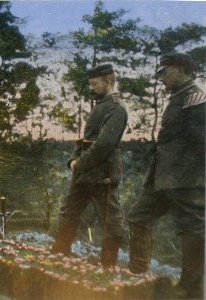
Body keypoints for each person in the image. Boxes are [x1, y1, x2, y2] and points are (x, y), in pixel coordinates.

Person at [128, 53, 205, 298]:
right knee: (138, 216)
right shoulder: (178, 97)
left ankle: (191, 289)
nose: (160, 79)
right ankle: (138, 274)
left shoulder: (196, 98)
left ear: (181, 70)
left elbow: (202, 142)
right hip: (162, 178)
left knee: (192, 229)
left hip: (186, 180)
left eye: (165, 72)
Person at [51, 64, 128, 268]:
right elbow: (87, 140)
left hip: (103, 174)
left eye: (95, 83)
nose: (91, 87)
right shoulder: (101, 105)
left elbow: (104, 145)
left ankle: (108, 266)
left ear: (108, 81)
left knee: (110, 221)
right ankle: (59, 256)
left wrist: (79, 164)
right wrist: (73, 161)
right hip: (84, 173)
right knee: (69, 213)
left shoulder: (116, 107)